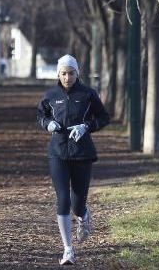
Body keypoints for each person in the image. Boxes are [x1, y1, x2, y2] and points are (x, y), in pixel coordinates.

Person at [37, 54, 110, 266]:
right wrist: (47, 124)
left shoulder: (88, 94)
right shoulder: (51, 95)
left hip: (82, 153)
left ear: (77, 73)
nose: (67, 77)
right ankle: (68, 250)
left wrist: (86, 127)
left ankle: (83, 216)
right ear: (58, 74)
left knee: (77, 204)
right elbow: (41, 115)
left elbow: (104, 117)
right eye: (63, 73)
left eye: (71, 73)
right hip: (58, 153)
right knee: (63, 199)